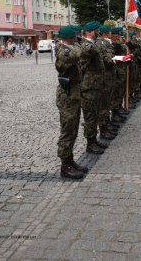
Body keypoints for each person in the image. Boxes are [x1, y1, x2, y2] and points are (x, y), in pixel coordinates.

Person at [55, 25, 87, 179]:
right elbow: (76, 55)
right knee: (67, 131)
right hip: (67, 96)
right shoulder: (63, 50)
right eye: (75, 35)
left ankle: (70, 160)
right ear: (70, 36)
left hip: (74, 94)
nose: (77, 37)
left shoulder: (70, 47)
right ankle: (65, 165)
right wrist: (80, 44)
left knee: (73, 130)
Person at [80, 20, 106, 154]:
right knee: (90, 116)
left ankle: (94, 140)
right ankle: (90, 143)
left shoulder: (94, 44)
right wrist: (101, 38)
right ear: (90, 32)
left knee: (95, 114)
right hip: (89, 87)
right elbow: (96, 50)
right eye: (97, 30)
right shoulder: (85, 45)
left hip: (96, 85)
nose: (99, 32)